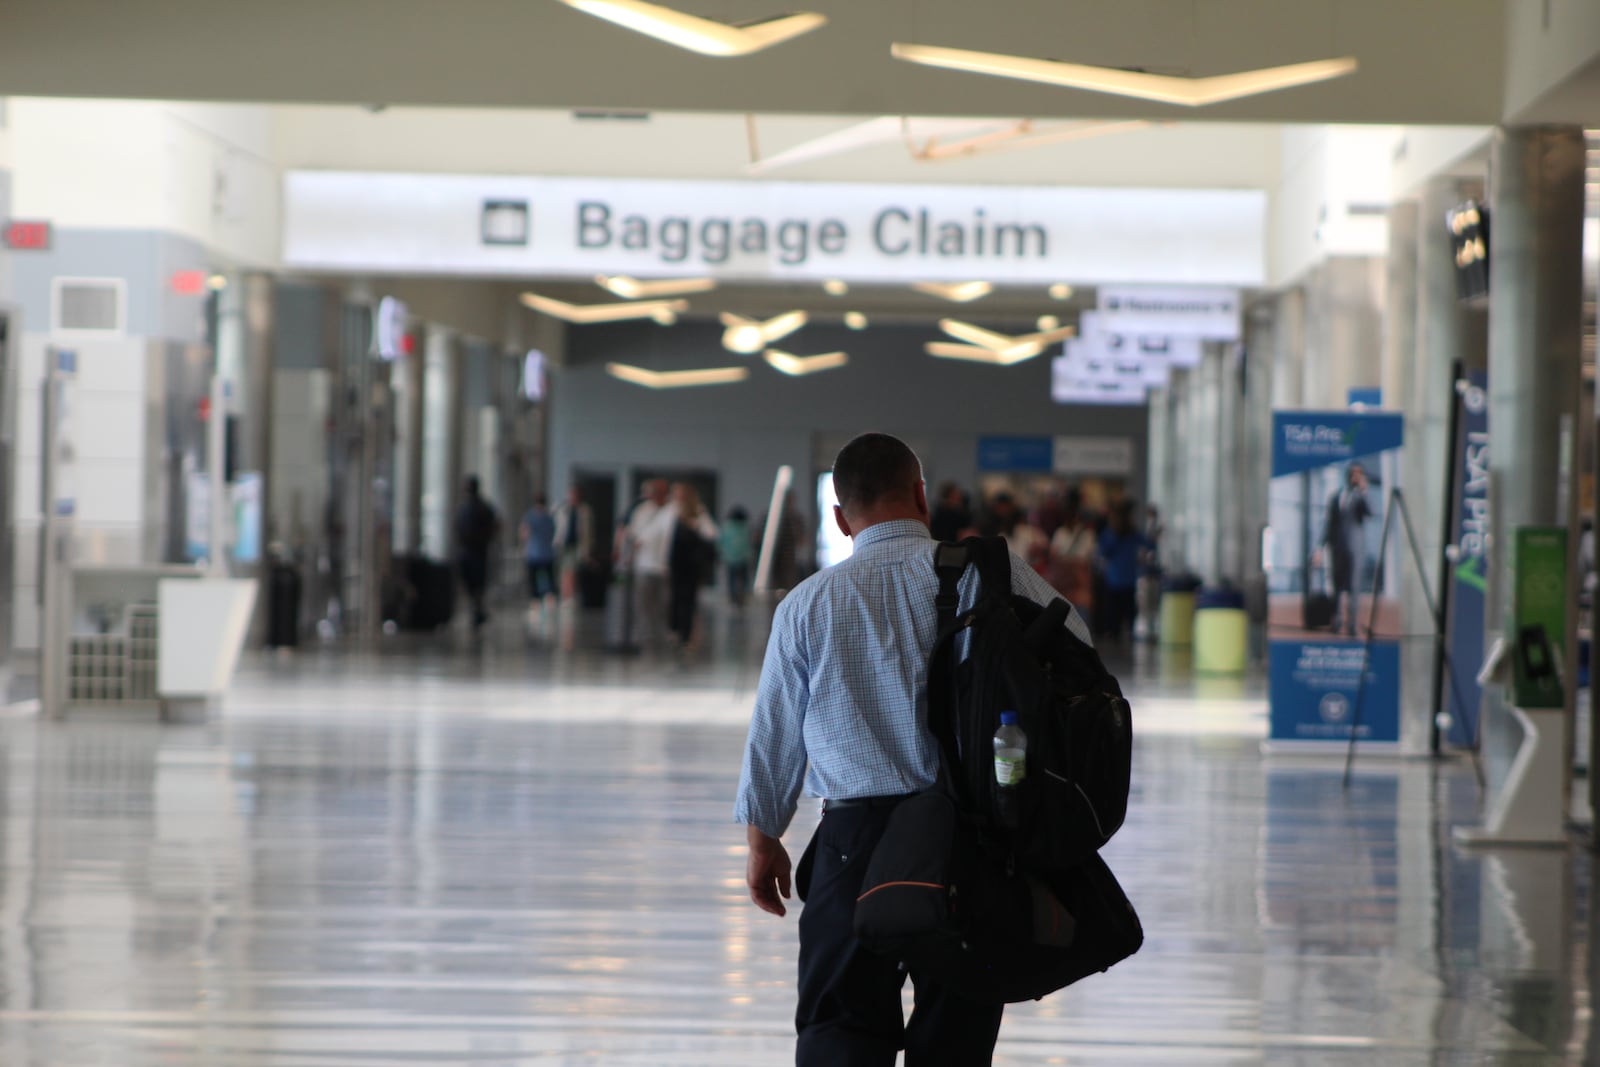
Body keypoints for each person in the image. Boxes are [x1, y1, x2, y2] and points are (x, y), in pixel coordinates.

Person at [735, 432, 1092, 1066]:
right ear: (922, 498)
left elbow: (775, 732)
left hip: (852, 845)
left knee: (839, 1029)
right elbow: (1078, 645)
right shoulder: (992, 574)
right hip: (968, 841)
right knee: (956, 1034)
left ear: (841, 519)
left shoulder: (807, 606)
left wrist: (764, 838)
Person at [1314, 462, 1373, 636]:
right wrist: (1319, 548)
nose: (1354, 477)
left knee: (1354, 588)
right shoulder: (1335, 497)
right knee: (1337, 587)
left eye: (1358, 474)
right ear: (1347, 475)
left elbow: (1370, 513)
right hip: (1336, 549)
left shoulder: (1361, 498)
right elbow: (1329, 525)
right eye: (1352, 473)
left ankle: (1352, 626)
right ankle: (1337, 623)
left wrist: (1364, 491)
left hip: (1355, 549)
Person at [624, 479, 676, 651]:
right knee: (643, 603)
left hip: (665, 566)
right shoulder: (642, 511)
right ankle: (645, 634)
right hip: (645, 565)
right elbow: (634, 536)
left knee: (664, 603)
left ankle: (664, 633)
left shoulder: (671, 511)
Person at [667, 483, 718, 652]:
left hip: (691, 567)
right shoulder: (671, 511)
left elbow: (712, 533)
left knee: (688, 601)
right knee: (676, 599)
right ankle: (675, 631)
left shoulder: (698, 513)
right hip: (677, 564)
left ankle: (685, 635)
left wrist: (694, 526)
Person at [1096, 499, 1153, 647]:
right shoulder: (1125, 534)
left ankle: (1117, 637)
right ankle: (1121, 636)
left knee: (1118, 615)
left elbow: (1103, 553)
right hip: (1123, 579)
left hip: (1118, 579)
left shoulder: (1116, 534)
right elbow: (1150, 544)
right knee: (1124, 614)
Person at [453, 475, 500, 630]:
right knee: (476, 584)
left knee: (474, 584)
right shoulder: (479, 508)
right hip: (476, 551)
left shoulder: (467, 508)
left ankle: (476, 609)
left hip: (472, 551)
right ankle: (477, 609)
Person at [519, 493, 558, 631]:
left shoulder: (530, 516)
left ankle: (535, 604)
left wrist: (525, 545)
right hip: (547, 553)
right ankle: (550, 600)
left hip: (533, 553)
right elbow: (553, 532)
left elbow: (524, 533)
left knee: (533, 580)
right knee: (549, 577)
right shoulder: (549, 517)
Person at [551, 486, 595, 606]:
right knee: (564, 570)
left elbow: (588, 531)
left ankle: (569, 595)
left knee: (571, 570)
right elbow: (558, 525)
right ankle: (565, 594)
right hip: (564, 544)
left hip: (576, 544)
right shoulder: (563, 509)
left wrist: (588, 548)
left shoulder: (584, 511)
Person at [720, 505, 754, 608]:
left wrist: (722, 555)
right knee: (743, 580)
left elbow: (721, 543)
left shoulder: (726, 527)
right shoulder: (745, 527)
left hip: (730, 558)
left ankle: (733, 599)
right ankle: (742, 598)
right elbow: (748, 544)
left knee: (731, 580)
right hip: (743, 558)